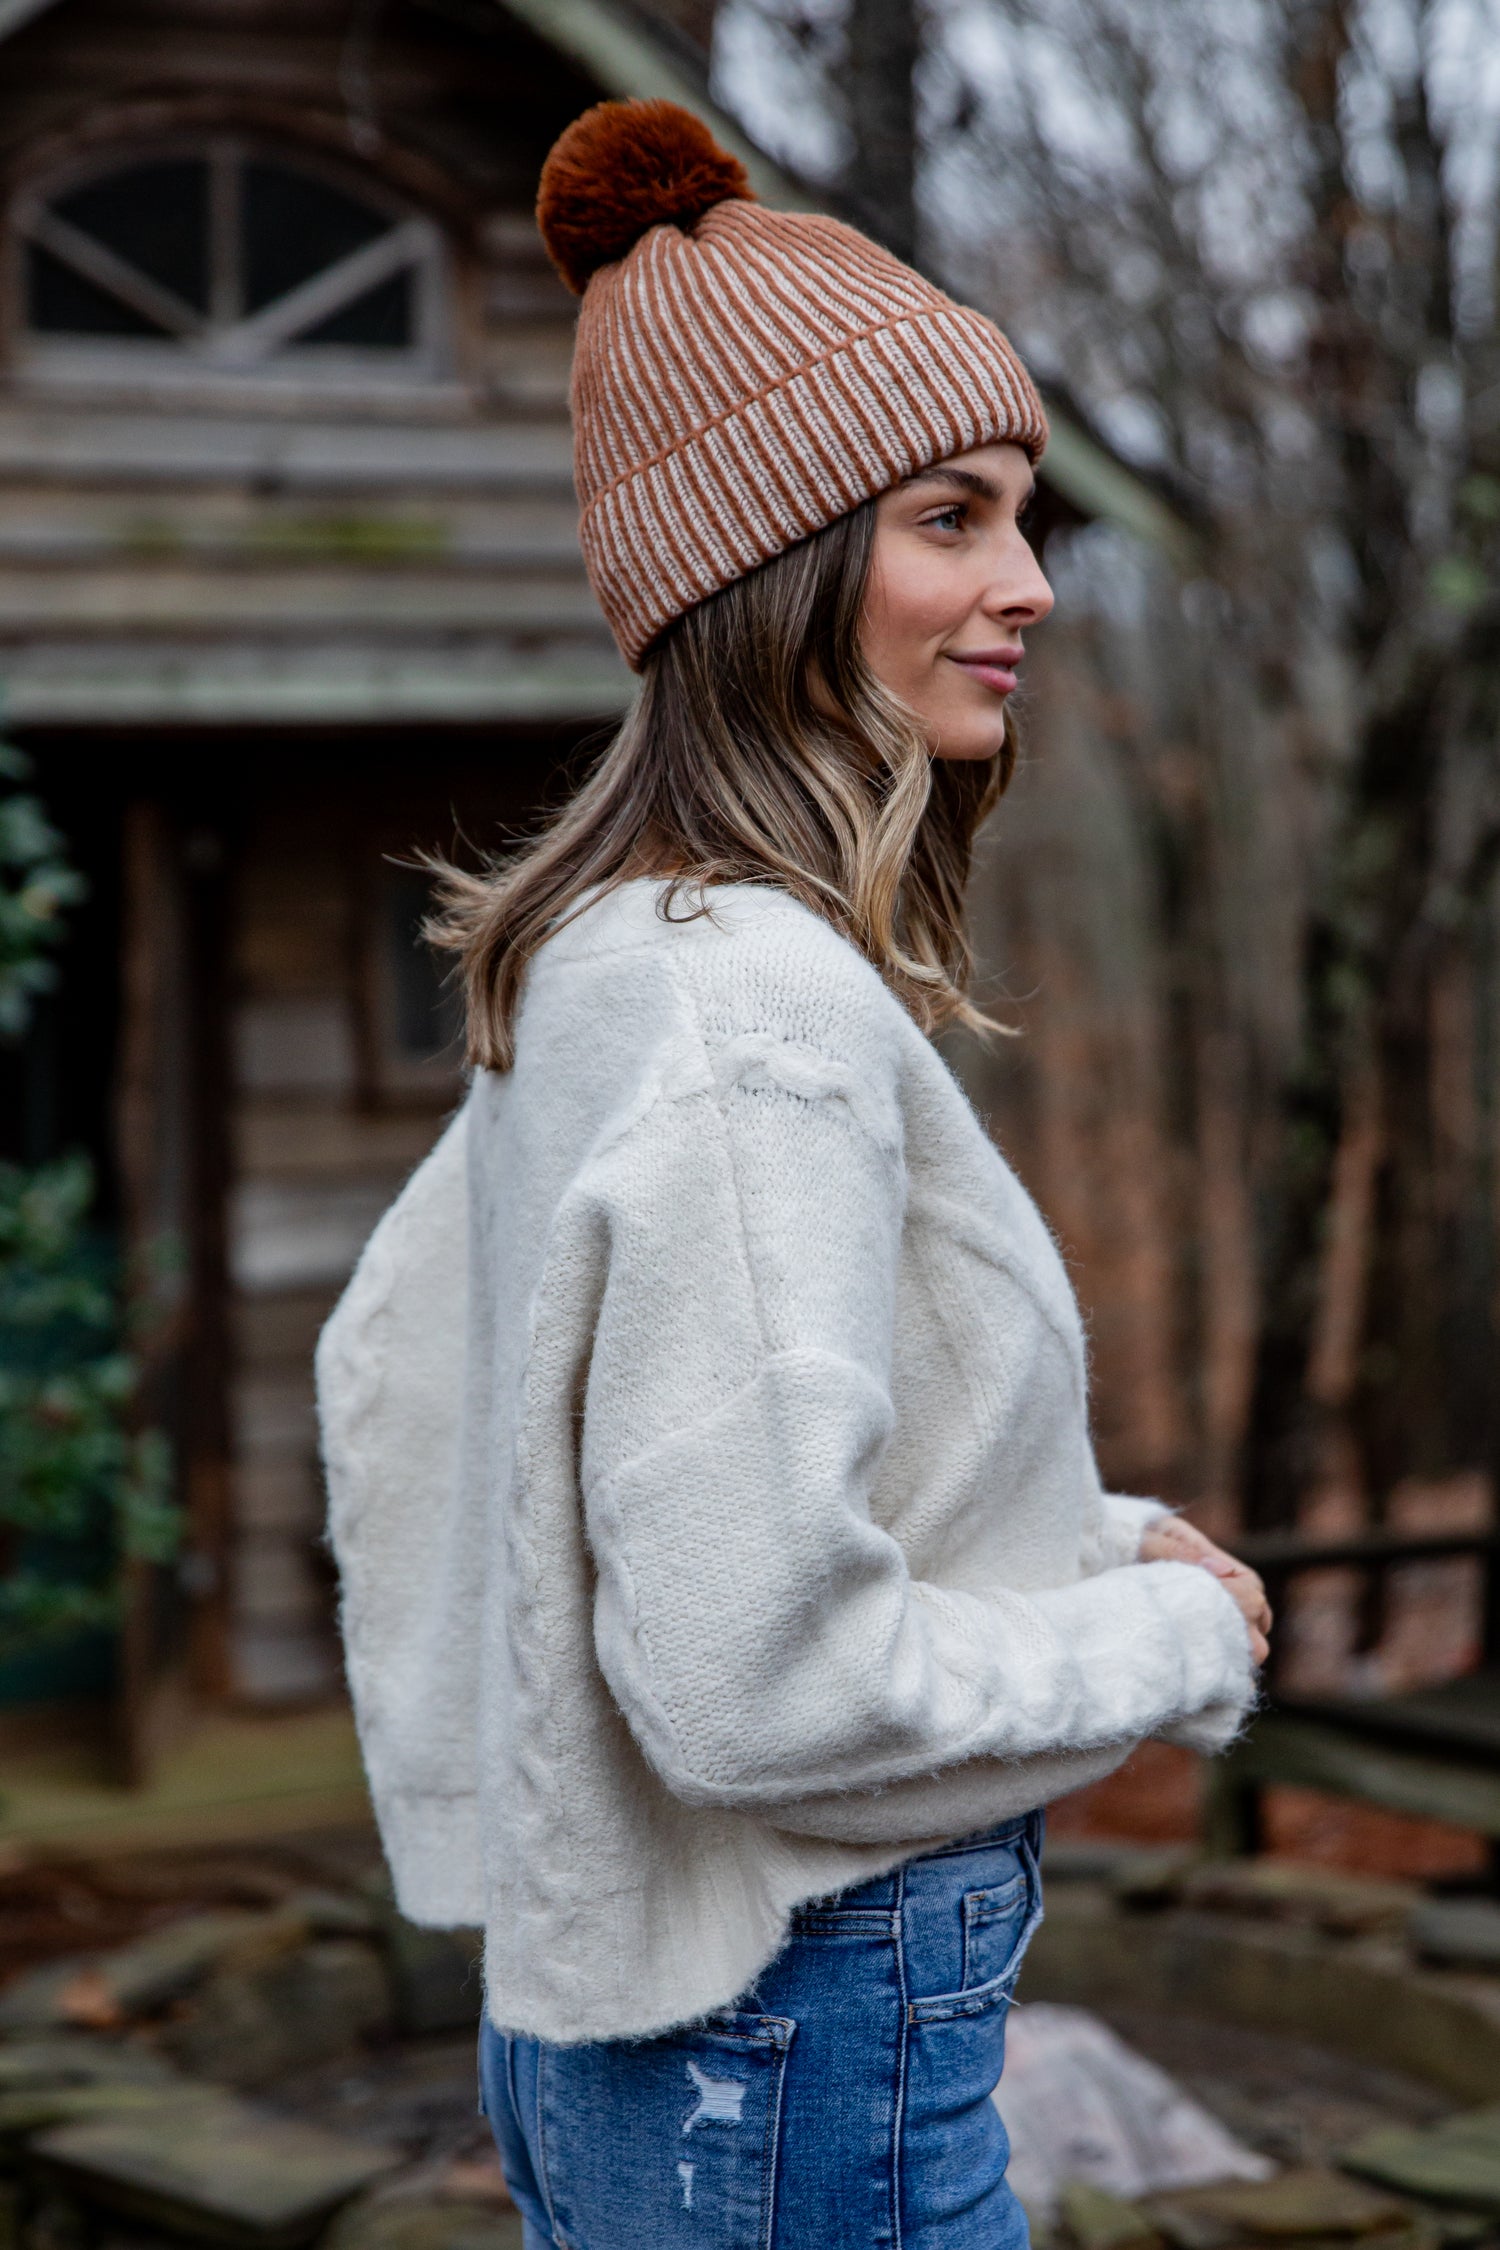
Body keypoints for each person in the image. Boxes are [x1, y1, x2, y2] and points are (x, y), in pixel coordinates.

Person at [317, 97, 1273, 2250]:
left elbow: (458, 1418)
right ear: (775, 566)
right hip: (793, 2028)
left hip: (636, 2018)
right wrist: (1155, 1641)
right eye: (951, 515)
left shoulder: (595, 961)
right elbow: (765, 1683)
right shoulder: (756, 1014)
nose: (1030, 582)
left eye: (1023, 513)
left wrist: (1071, 1534)